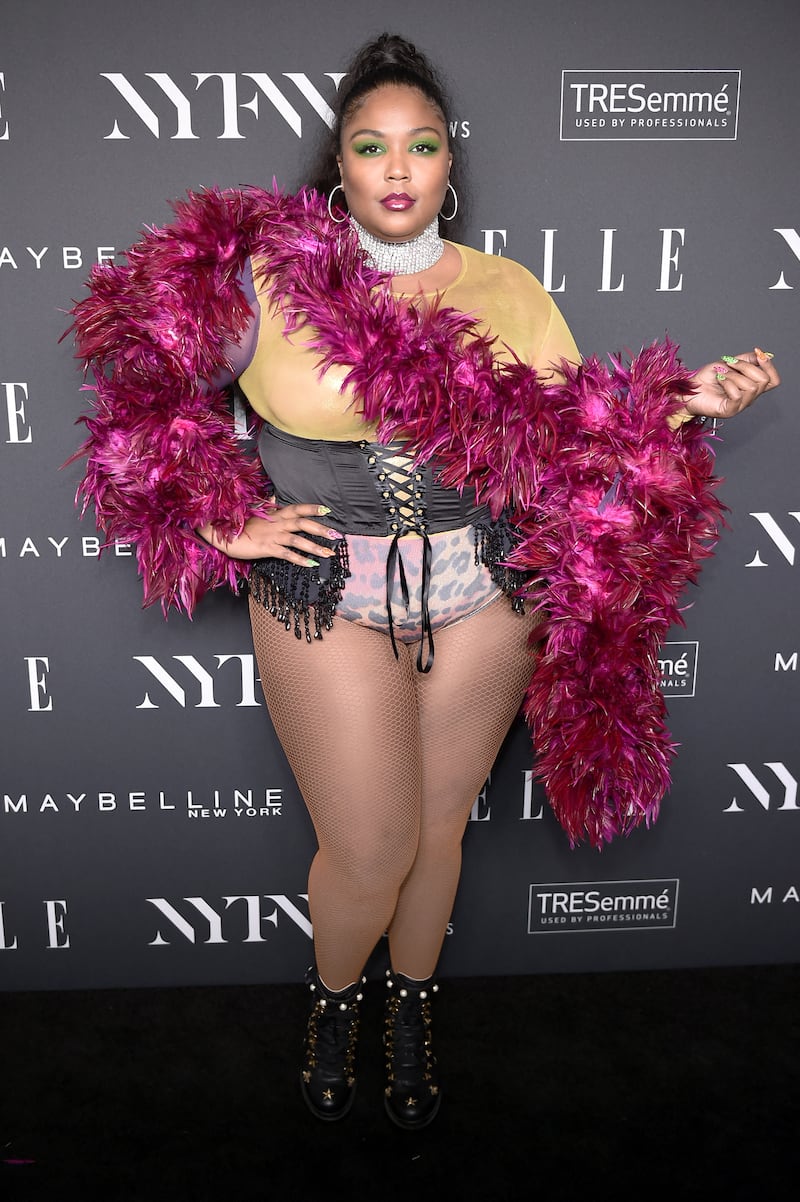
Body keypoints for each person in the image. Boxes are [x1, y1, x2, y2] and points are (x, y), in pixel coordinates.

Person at [68, 34, 779, 1130]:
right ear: (339, 167)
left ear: (449, 165)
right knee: (369, 844)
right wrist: (223, 520)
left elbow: (580, 436)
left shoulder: (506, 289)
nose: (396, 168)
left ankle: (410, 1007)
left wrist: (693, 400)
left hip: (483, 589)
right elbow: (142, 398)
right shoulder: (264, 281)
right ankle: (333, 1000)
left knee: (439, 829)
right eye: (369, 145)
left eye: (420, 145)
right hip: (324, 591)